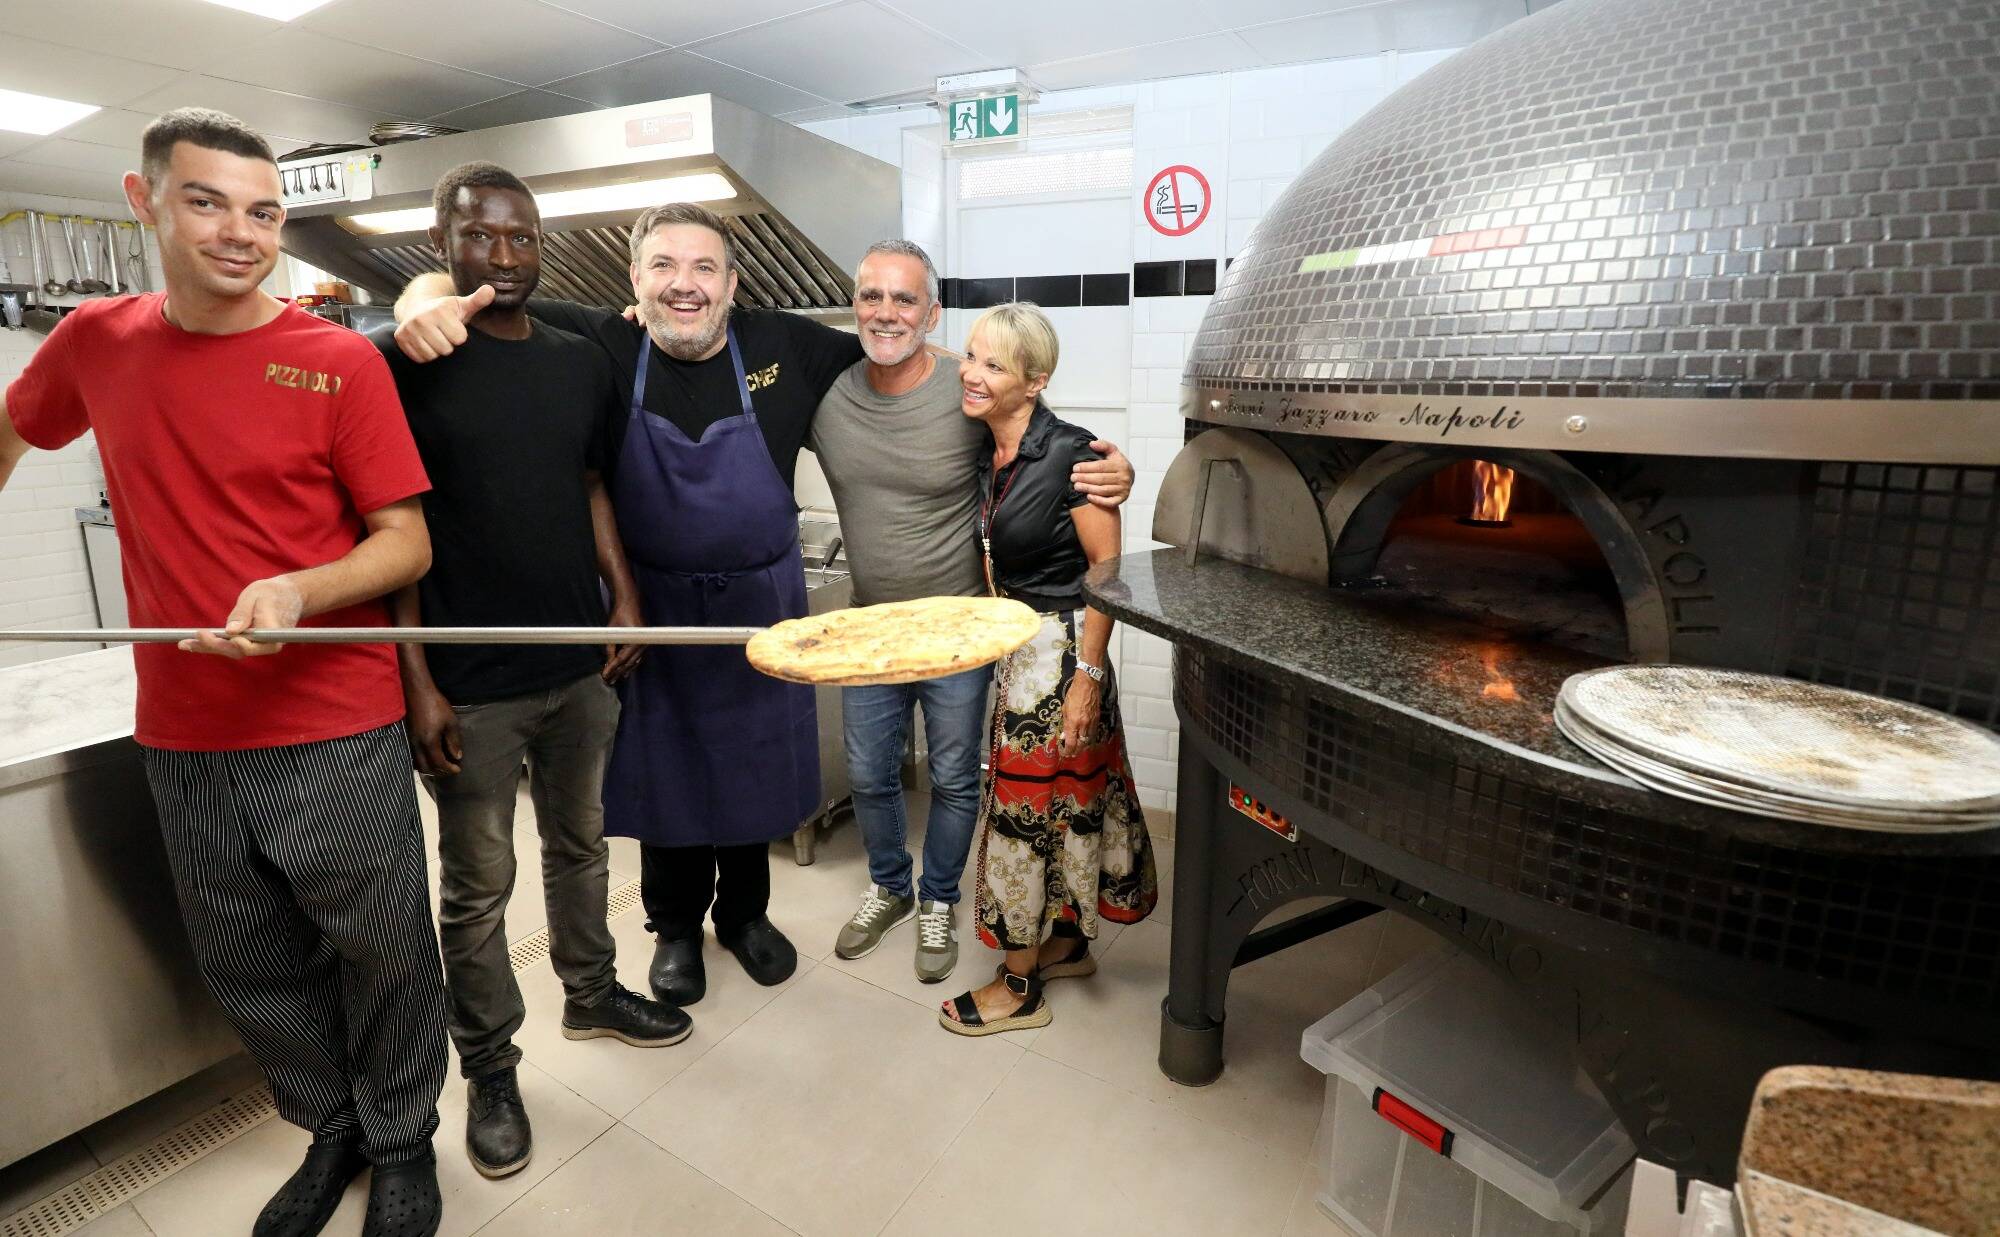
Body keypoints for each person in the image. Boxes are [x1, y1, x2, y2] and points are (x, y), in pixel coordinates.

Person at [392, 213, 1132, 1007]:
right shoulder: (607, 340)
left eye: (705, 268)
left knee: (764, 771)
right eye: (666, 267)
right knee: (671, 777)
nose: (686, 283)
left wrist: (1107, 465)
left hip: (775, 608)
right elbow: (493, 305)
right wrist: (423, 301)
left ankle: (751, 916)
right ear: (635, 281)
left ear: (734, 283)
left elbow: (971, 376)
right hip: (662, 609)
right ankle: (675, 929)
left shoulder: (794, 345)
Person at [0, 109, 449, 1237]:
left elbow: (405, 542)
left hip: (333, 718)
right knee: (246, 955)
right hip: (185, 728)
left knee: (383, 944)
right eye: (206, 201)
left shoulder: (336, 358)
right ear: (144, 198)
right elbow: (13, 430)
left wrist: (300, 590)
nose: (240, 232)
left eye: (263, 211)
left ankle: (400, 1138)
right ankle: (329, 1126)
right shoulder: (95, 342)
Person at [374, 161, 692, 1182]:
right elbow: (395, 528)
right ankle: (493, 1070)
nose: (502, 258)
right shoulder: (405, 363)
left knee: (583, 848)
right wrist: (417, 680)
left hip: (577, 665)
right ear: (441, 242)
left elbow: (591, 484)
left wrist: (625, 595)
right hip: (469, 680)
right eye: (479, 237)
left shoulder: (577, 360)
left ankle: (590, 992)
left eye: (520, 237)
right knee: (475, 889)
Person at [817, 242, 1132, 983]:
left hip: (970, 634)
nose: (886, 312)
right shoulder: (840, 393)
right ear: (856, 304)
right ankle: (889, 886)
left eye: (905, 300)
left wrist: (1119, 469)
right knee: (870, 772)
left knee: (961, 778)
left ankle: (938, 899)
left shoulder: (988, 412)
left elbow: (1085, 502)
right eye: (871, 296)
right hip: (873, 633)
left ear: (929, 313)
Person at [940, 302, 1158, 1037]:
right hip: (1019, 650)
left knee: (1022, 819)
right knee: (1062, 807)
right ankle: (1066, 944)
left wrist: (1086, 680)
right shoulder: (988, 445)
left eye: (993, 364)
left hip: (1063, 656)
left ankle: (1018, 984)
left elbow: (1108, 570)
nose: (972, 373)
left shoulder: (1074, 455)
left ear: (1035, 381)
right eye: (971, 356)